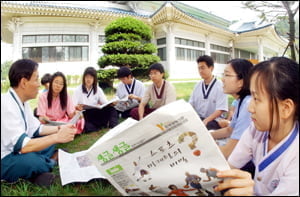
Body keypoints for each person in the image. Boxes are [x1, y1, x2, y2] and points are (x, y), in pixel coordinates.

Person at [214, 57, 299, 196]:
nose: (250, 108)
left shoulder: (296, 156)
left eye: (256, 99)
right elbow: (230, 166)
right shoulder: (255, 130)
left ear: (285, 108)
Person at [1, 59, 76, 187]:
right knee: (31, 161)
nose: (39, 85)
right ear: (24, 82)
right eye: (36, 79)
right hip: (6, 158)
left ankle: (41, 169)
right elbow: (23, 147)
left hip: (21, 149)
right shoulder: (5, 105)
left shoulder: (23, 102)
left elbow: (36, 129)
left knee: (45, 141)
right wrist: (57, 137)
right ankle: (50, 162)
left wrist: (60, 129)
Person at [210, 59, 253, 159]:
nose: (222, 79)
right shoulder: (240, 101)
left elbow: (227, 152)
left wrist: (201, 144)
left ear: (241, 82)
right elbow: (230, 130)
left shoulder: (248, 105)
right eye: (223, 75)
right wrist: (206, 135)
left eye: (227, 75)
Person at [73, 67, 118, 132]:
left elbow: (105, 103)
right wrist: (77, 107)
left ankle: (114, 127)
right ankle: (97, 126)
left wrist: (111, 103)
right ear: (84, 78)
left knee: (112, 109)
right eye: (87, 77)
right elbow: (73, 106)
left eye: (91, 78)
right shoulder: (78, 90)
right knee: (87, 126)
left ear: (94, 79)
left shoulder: (98, 89)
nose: (88, 80)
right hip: (85, 114)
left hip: (95, 112)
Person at [189, 55, 228, 130]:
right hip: (200, 119)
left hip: (215, 120)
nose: (200, 71)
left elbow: (220, 109)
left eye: (203, 68)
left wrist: (206, 120)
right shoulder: (197, 85)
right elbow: (191, 104)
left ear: (211, 68)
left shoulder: (220, 86)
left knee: (203, 128)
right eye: (199, 68)